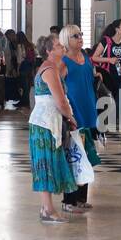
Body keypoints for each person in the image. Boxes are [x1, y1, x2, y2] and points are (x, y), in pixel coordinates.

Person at [27, 31, 78, 223]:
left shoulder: (52, 67)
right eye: (58, 46)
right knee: (46, 164)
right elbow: (60, 101)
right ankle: (48, 210)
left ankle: (46, 208)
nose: (63, 48)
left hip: (47, 122)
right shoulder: (49, 70)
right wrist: (71, 117)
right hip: (45, 124)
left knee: (48, 162)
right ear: (49, 51)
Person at [60, 25, 99, 214]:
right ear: (67, 40)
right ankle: (68, 200)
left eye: (81, 34)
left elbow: (89, 79)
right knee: (73, 157)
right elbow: (58, 88)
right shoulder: (64, 62)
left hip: (89, 112)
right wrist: (67, 114)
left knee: (86, 157)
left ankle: (82, 199)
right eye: (76, 36)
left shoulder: (86, 58)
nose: (80, 38)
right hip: (75, 115)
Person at [92, 19, 121, 141]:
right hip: (107, 76)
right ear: (117, 29)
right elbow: (94, 57)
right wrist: (109, 60)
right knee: (105, 103)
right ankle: (99, 130)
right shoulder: (106, 41)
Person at [0, 28, 22, 110]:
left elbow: (12, 56)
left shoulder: (12, 44)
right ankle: (10, 98)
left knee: (12, 82)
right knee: (10, 82)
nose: (14, 36)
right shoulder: (7, 43)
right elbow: (7, 55)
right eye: (12, 35)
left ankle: (12, 98)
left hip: (11, 66)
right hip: (8, 66)